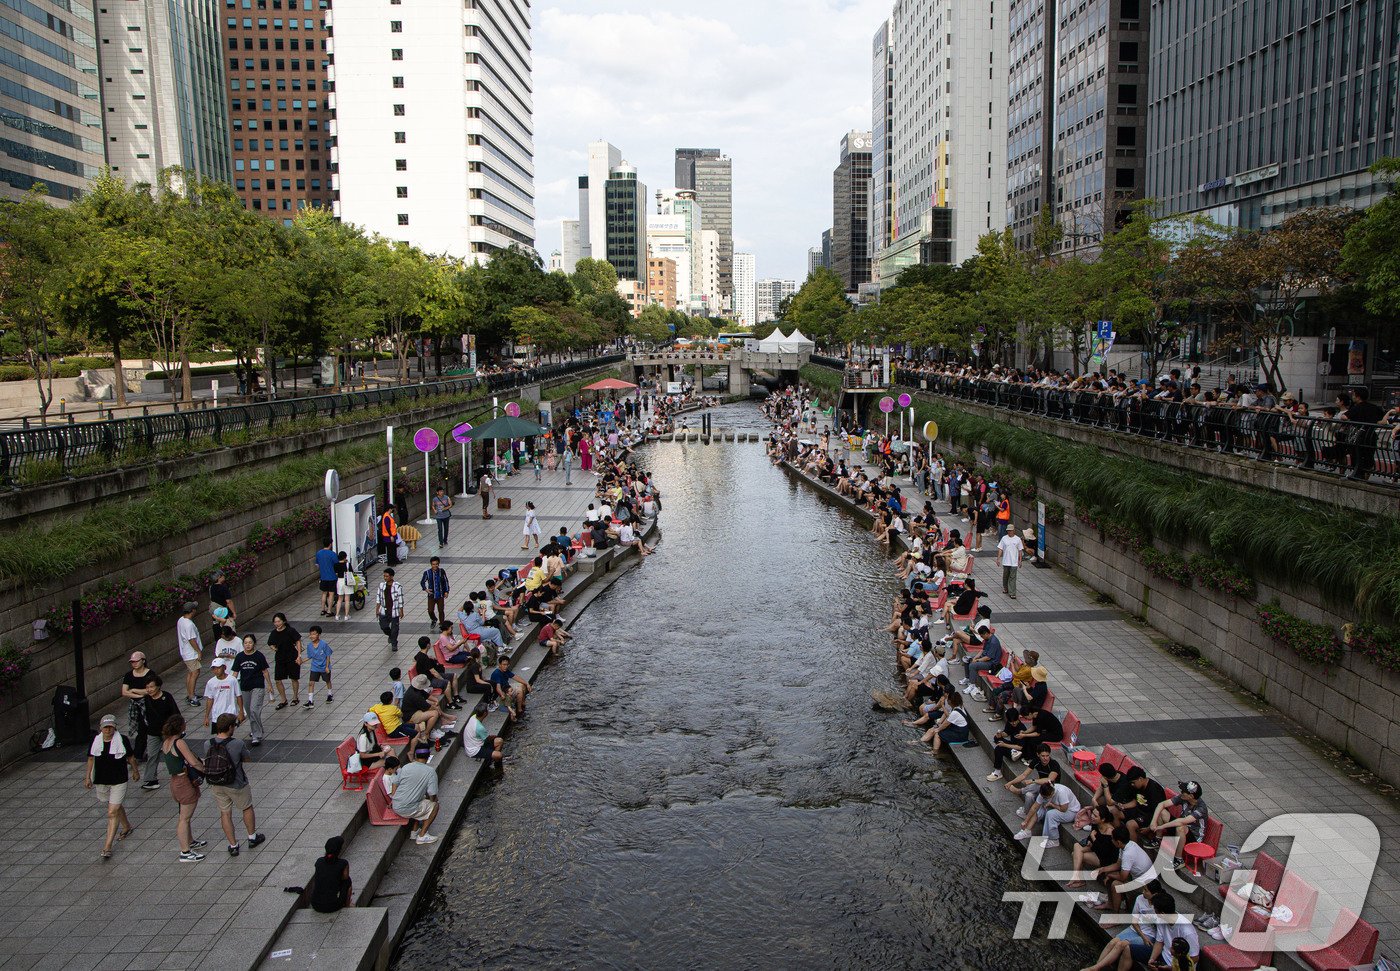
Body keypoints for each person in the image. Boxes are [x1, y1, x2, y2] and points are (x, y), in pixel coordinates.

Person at [204, 713, 267, 857]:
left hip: (216, 783)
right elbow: (247, 758)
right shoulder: (237, 744)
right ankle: (252, 837)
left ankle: (233, 845)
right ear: (230, 727)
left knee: (225, 813)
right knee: (246, 807)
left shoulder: (208, 743)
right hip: (237, 783)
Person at [85, 714, 138, 860]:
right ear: (100, 728)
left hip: (119, 780)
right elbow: (90, 758)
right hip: (101, 780)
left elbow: (130, 757)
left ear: (115, 727)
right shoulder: (95, 741)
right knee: (114, 806)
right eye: (105, 727)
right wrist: (87, 777)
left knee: (111, 811)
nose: (108, 730)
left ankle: (107, 846)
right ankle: (126, 826)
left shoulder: (122, 740)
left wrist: (135, 771)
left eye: (111, 727)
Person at [160, 714, 207, 862]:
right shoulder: (179, 742)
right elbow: (193, 761)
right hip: (184, 782)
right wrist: (206, 769)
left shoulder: (166, 743)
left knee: (183, 814)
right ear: (180, 726)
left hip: (175, 781)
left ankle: (190, 841)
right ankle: (185, 852)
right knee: (184, 818)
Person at [1147, 780, 1209, 870]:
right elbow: (1162, 804)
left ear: (1191, 796)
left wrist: (1162, 826)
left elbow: (1182, 821)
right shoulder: (1183, 798)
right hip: (1180, 829)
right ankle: (1158, 839)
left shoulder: (1201, 808)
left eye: (1183, 792)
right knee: (1163, 812)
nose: (1181, 793)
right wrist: (1153, 822)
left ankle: (1179, 860)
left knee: (1181, 827)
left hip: (1194, 838)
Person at [389, 743, 440, 844]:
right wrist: (434, 801)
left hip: (396, 805)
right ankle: (422, 835)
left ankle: (414, 831)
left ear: (416, 756)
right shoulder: (430, 772)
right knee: (434, 806)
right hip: (408, 808)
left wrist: (393, 797)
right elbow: (432, 793)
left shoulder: (406, 767)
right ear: (428, 756)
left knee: (422, 801)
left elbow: (395, 782)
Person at [1013, 780, 1081, 850]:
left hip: (1071, 811)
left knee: (1051, 814)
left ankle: (1054, 839)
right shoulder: (1044, 791)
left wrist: (1052, 805)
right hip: (1057, 807)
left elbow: (1064, 809)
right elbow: (1034, 807)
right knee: (1040, 808)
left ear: (1051, 793)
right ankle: (1027, 831)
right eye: (1043, 797)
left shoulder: (1061, 792)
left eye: (1046, 797)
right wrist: (1025, 821)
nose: (1044, 798)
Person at [139, 677, 180, 789]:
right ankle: (150, 779)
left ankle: (180, 773)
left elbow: (175, 714)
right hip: (152, 732)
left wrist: (175, 730)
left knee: (173, 753)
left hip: (167, 732)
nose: (149, 689)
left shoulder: (167, 697)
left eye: (151, 687)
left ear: (158, 686)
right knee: (152, 755)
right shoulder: (146, 699)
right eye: (147, 687)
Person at [231, 634, 271, 746]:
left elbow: (265, 671)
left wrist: (269, 685)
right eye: (246, 643)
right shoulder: (239, 657)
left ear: (254, 643)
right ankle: (258, 728)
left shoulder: (259, 656)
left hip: (257, 685)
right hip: (244, 686)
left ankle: (256, 735)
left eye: (250, 642)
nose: (248, 645)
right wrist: (230, 685)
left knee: (254, 709)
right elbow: (235, 672)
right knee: (249, 711)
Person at [120, 651, 157, 759]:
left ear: (143, 661)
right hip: (135, 706)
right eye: (132, 662)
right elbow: (124, 692)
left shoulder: (150, 674)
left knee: (146, 729)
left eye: (136, 661)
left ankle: (139, 753)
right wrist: (139, 695)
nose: (134, 663)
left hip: (149, 705)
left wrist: (134, 690)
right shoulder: (128, 675)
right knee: (140, 729)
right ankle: (138, 754)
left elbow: (150, 690)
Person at [308, 835, 354, 913]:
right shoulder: (343, 863)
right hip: (332, 906)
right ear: (339, 850)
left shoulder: (319, 861)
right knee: (347, 881)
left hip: (315, 904)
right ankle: (347, 904)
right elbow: (345, 878)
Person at [267, 613, 303, 709]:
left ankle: (295, 697)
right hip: (280, 658)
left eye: (279, 621)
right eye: (275, 622)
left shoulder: (290, 630)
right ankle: (283, 700)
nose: (277, 623)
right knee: (278, 679)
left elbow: (298, 641)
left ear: (283, 621)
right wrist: (273, 648)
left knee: (294, 678)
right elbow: (270, 643)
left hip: (292, 656)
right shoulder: (274, 633)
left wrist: (299, 655)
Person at [202, 657, 244, 733]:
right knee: (219, 735)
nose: (216, 670)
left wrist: (241, 712)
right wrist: (206, 716)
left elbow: (239, 696)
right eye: (214, 668)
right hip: (216, 715)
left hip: (230, 713)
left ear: (224, 667)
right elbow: (210, 699)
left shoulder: (232, 680)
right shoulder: (211, 682)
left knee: (228, 734)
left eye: (218, 668)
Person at [177, 601, 204, 708]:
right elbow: (191, 639)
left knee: (190, 673)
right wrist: (198, 651)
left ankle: (190, 694)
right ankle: (191, 697)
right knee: (195, 673)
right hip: (191, 653)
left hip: (185, 652)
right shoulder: (189, 625)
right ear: (192, 611)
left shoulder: (181, 620)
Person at [489, 656, 530, 721]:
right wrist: (502, 694)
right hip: (503, 692)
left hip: (507, 687)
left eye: (507, 665)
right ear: (499, 665)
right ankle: (519, 709)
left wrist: (527, 683)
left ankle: (522, 702)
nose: (506, 666)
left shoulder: (505, 671)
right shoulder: (496, 673)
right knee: (519, 690)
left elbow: (515, 677)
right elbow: (498, 687)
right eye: (504, 665)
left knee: (523, 685)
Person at [305, 625, 333, 708]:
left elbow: (328, 655)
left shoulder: (323, 644)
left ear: (318, 635)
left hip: (324, 666)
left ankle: (330, 694)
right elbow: (310, 656)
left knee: (327, 681)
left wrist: (327, 667)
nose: (312, 636)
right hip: (314, 667)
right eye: (311, 634)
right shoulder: (309, 646)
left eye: (314, 634)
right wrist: (301, 661)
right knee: (311, 683)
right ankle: (310, 701)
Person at [376, 568, 404, 652]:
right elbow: (378, 598)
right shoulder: (381, 585)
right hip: (384, 610)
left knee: (395, 628)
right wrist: (377, 609)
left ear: (391, 576)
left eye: (387, 576)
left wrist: (401, 610)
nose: (385, 578)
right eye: (384, 576)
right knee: (384, 626)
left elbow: (400, 599)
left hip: (394, 610)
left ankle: (394, 643)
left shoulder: (397, 586)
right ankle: (391, 636)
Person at [997, 522, 1025, 599]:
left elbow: (1020, 551)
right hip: (1006, 561)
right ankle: (1005, 587)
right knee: (1005, 576)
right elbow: (1000, 548)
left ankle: (1012, 592)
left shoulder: (1018, 539)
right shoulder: (1004, 538)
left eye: (1011, 530)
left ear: (1014, 530)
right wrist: (998, 558)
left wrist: (1020, 560)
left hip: (1014, 562)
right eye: (1008, 530)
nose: (1009, 532)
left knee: (1013, 577)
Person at [421, 557, 451, 627]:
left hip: (440, 595)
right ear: (431, 565)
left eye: (436, 564)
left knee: (441, 610)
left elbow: (445, 581)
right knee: (430, 610)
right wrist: (426, 589)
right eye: (433, 564)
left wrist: (446, 591)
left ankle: (442, 624)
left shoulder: (441, 571)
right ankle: (434, 619)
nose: (435, 566)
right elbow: (422, 582)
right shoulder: (427, 573)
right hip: (431, 595)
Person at [208, 569, 237, 638]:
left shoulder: (211, 587)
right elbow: (228, 601)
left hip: (215, 612)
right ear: (219, 577)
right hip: (224, 612)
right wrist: (234, 612)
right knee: (229, 626)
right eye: (223, 575)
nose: (224, 577)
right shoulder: (223, 587)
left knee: (218, 627)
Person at [316, 537, 339, 617]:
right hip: (332, 577)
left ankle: (322, 610)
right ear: (330, 544)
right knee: (331, 594)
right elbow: (336, 565)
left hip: (323, 577)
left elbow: (317, 565)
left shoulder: (318, 553)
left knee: (324, 593)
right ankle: (329, 610)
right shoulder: (332, 554)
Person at [334, 550, 352, 621]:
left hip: (339, 581)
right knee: (347, 599)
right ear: (345, 557)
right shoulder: (347, 564)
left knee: (339, 599)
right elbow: (351, 572)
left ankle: (337, 615)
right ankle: (346, 615)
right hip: (347, 581)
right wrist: (347, 563)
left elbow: (336, 574)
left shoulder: (335, 565)